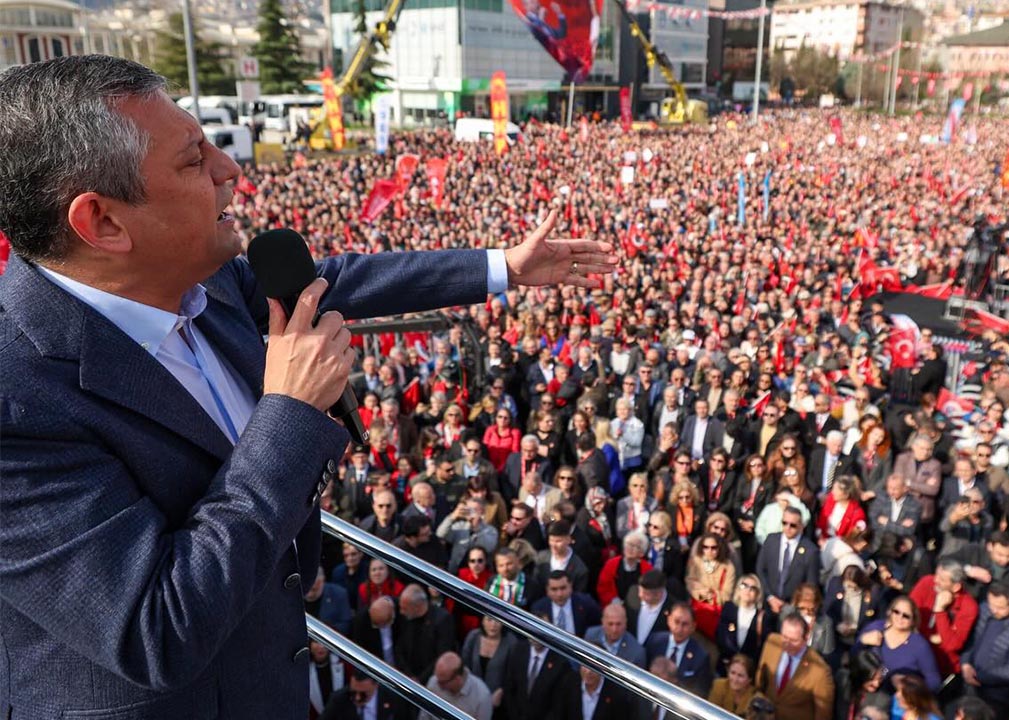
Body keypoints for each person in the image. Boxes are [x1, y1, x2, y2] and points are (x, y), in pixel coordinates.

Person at [0, 55, 615, 719]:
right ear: (104, 223)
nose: (230, 171)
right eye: (191, 160)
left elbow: (333, 281)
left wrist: (502, 268)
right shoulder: (18, 398)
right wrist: (288, 412)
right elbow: (157, 628)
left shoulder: (207, 281)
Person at [960, 582, 1009, 717]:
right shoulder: (984, 610)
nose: (993, 610)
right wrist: (965, 663)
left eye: (1000, 607)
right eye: (991, 605)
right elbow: (970, 640)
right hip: (968, 686)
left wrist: (978, 676)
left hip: (994, 697)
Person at [755, 613, 836, 720]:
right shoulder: (772, 642)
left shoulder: (820, 670)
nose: (787, 643)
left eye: (793, 640)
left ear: (806, 638)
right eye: (784, 637)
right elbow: (760, 680)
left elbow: (823, 714)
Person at [857, 596, 941, 692]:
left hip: (900, 699)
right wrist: (862, 640)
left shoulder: (919, 645)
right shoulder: (875, 627)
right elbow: (854, 656)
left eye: (906, 616)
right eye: (896, 612)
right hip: (868, 693)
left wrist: (909, 686)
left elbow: (934, 681)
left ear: (913, 620)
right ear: (890, 611)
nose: (900, 617)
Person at [757, 505, 821, 614]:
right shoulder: (771, 540)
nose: (787, 527)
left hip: (793, 609)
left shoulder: (810, 550)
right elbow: (761, 569)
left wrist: (793, 605)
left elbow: (811, 584)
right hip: (768, 603)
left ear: (801, 526)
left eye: (793, 525)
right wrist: (770, 597)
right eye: (784, 523)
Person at [642, 602, 713, 695]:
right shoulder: (654, 641)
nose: (679, 628)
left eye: (685, 624)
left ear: (693, 626)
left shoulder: (701, 657)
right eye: (676, 622)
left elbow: (700, 692)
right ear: (669, 620)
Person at [460, 616, 516, 702]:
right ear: (482, 621)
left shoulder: (511, 642)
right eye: (489, 620)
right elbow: (464, 664)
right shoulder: (473, 636)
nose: (493, 625)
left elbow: (512, 674)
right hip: (470, 694)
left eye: (498, 621)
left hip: (498, 698)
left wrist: (502, 690)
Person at [425, 652, 493, 720]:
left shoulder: (482, 697)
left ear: (457, 679)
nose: (437, 685)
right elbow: (424, 716)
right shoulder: (433, 682)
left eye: (442, 683)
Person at [320, 670, 415, 720]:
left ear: (376, 685)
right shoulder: (339, 699)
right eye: (353, 692)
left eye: (363, 694)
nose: (357, 698)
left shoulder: (393, 698)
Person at [550, 664, 632, 720]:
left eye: (593, 667)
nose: (589, 671)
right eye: (585, 665)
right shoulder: (568, 683)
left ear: (602, 668)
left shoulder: (616, 694)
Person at [584, 602, 647, 667]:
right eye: (610, 624)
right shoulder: (590, 635)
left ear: (625, 623)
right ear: (603, 622)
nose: (614, 630)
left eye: (618, 624)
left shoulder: (636, 652)